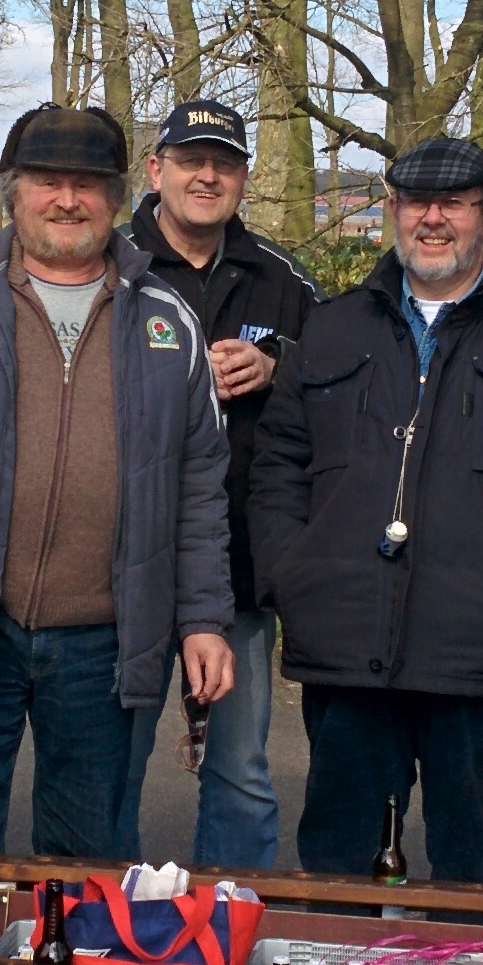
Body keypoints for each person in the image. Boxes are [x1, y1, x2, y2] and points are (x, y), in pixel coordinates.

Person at [0, 103, 237, 858]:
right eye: (47, 181)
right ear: (11, 193)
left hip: (106, 638)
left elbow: (199, 490)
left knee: (84, 854)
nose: (67, 199)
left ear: (121, 196)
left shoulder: (166, 322)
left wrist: (203, 620)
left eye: (88, 184)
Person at [250, 135, 483, 886]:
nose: (432, 220)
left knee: (476, 875)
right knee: (340, 866)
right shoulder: (333, 329)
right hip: (348, 649)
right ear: (393, 212)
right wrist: (292, 579)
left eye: (454, 204)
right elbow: (278, 468)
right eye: (414, 202)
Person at [122, 98, 322, 869]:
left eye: (225, 164)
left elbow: (342, 375)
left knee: (240, 770)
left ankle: (227, 943)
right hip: (125, 568)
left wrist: (281, 366)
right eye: (191, 161)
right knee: (115, 768)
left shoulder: (281, 277)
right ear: (156, 170)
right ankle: (114, 939)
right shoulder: (113, 266)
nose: (208, 176)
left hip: (235, 569)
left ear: (245, 177)